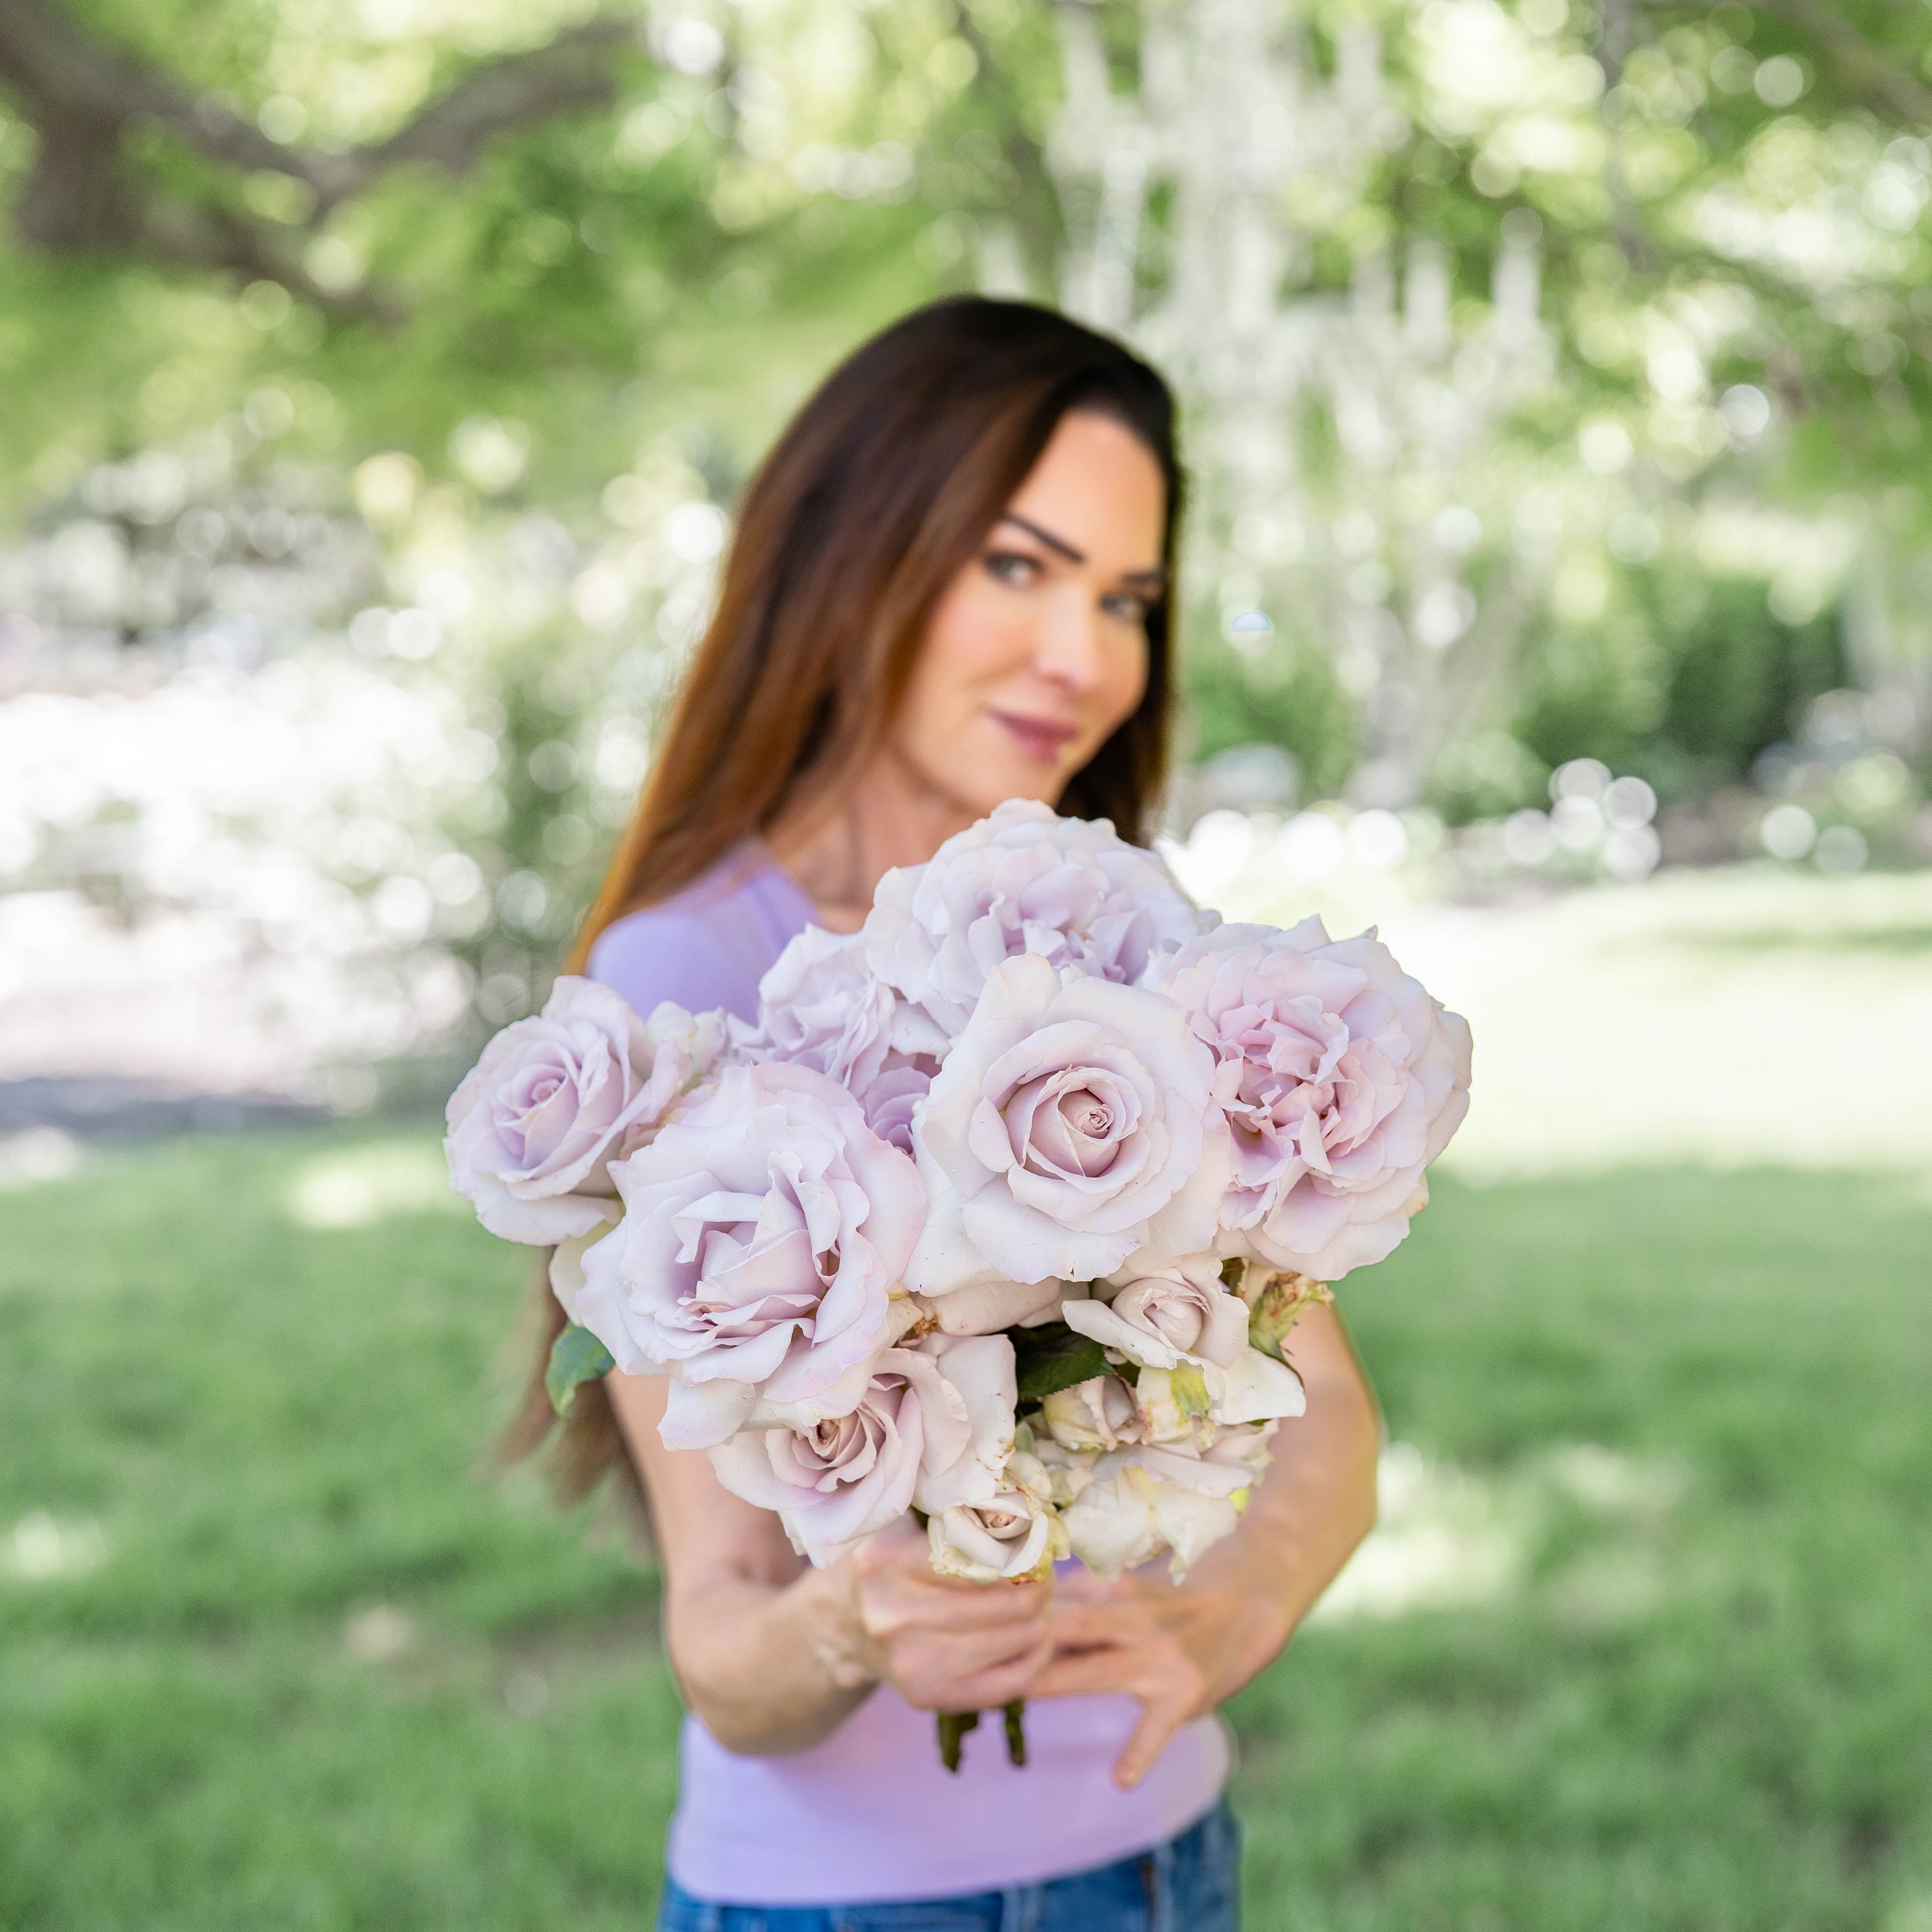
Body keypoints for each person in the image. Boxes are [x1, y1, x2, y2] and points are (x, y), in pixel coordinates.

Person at [509, 297, 1380, 1931]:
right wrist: (860, 1622)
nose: (1086, 657)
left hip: (1161, 1858)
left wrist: (1237, 1605)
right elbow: (727, 1645)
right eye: (1018, 565)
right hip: (844, 1906)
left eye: (1126, 598)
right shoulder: (676, 989)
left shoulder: (1136, 949)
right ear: (854, 550)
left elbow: (1321, 1403)